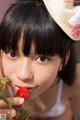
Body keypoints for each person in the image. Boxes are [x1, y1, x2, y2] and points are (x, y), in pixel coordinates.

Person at [0, 0, 79, 120]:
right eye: (12, 54)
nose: (24, 75)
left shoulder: (76, 81)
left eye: (42, 59)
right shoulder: (2, 87)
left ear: (64, 59)